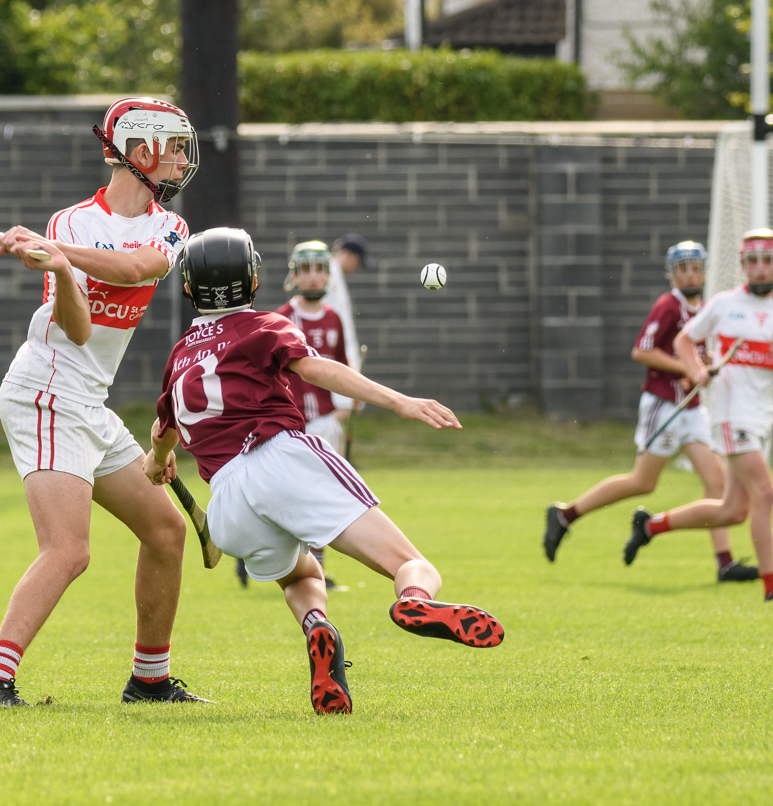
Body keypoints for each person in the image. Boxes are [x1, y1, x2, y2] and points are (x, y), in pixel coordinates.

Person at [146, 227, 504, 715]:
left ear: (188, 288)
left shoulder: (180, 355)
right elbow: (315, 369)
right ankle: (414, 599)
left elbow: (163, 430)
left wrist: (157, 462)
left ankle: (317, 625)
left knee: (299, 577)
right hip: (281, 458)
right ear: (253, 277)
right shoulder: (264, 326)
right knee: (408, 564)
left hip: (226, 501)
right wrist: (400, 401)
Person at [0, 97, 211, 707]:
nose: (181, 159)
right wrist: (65, 273)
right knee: (68, 550)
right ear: (140, 151)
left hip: (88, 404)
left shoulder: (168, 228)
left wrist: (64, 259)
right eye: (173, 146)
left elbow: (135, 270)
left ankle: (149, 680)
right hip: (44, 392)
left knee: (166, 530)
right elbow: (77, 330)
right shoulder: (69, 223)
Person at [542, 241, 758, 583]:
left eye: (695, 267)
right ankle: (565, 515)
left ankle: (725, 562)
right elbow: (642, 351)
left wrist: (707, 367)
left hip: (693, 409)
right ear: (672, 274)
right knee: (642, 482)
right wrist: (685, 366)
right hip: (664, 405)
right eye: (682, 268)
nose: (690, 274)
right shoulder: (668, 305)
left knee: (716, 482)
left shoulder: (707, 307)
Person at [621, 228, 773, 603]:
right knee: (766, 492)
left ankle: (651, 526)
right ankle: (772, 588)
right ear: (743, 266)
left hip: (762, 416)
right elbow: (684, 340)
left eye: (768, 261)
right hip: (729, 414)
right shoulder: (725, 304)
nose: (761, 270)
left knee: (733, 510)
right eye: (753, 262)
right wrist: (695, 372)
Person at [236, 240, 354, 590]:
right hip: (291, 422)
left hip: (327, 420)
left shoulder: (333, 318)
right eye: (306, 270)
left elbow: (342, 365)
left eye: (320, 270)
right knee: (289, 494)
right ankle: (250, 551)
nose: (314, 278)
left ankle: (317, 569)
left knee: (325, 494)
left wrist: (346, 405)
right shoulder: (282, 318)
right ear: (294, 276)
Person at [323, 233, 369, 371]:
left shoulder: (334, 272)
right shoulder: (329, 273)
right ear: (348, 254)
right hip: (336, 356)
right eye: (357, 261)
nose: (356, 267)